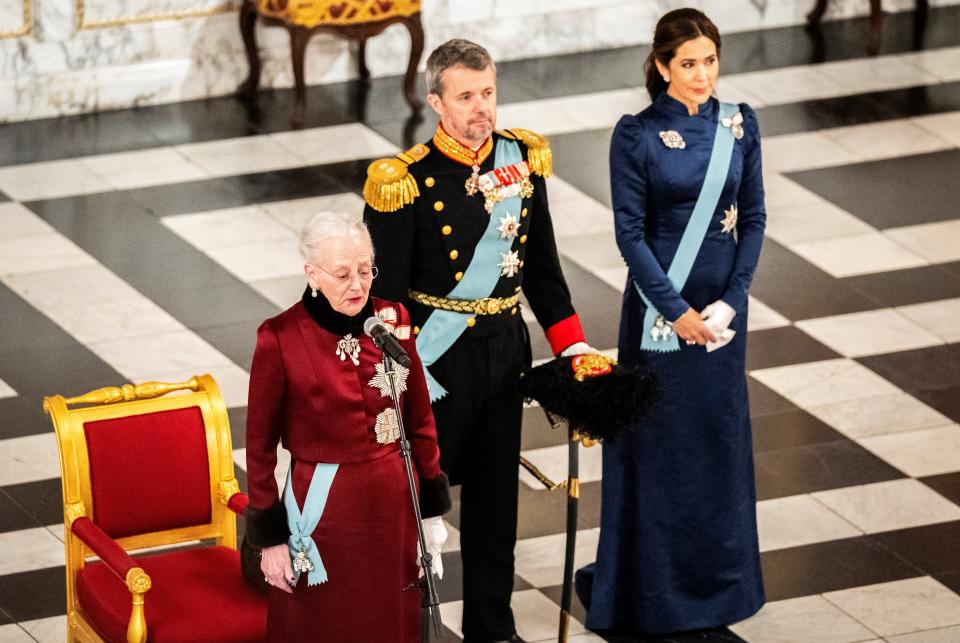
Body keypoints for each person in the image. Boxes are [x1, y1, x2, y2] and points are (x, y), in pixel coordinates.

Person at [363, 39, 595, 643]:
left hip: (502, 352)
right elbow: (383, 298)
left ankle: (494, 628)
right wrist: (397, 374)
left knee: (497, 507)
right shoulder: (405, 181)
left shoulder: (521, 160)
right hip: (435, 363)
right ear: (436, 101)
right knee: (420, 503)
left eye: (487, 92)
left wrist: (571, 347)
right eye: (465, 96)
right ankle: (410, 628)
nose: (480, 108)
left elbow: (542, 267)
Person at [577, 8, 766, 636]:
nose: (702, 74)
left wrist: (733, 300)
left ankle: (718, 594)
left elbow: (756, 218)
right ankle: (656, 594)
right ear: (661, 67)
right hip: (662, 320)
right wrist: (677, 312)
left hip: (721, 321)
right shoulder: (637, 135)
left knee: (717, 447)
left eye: (710, 61)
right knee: (662, 451)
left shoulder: (741, 125)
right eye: (688, 63)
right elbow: (630, 236)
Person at [243, 211, 451, 643]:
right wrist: (271, 540)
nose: (357, 285)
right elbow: (259, 447)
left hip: (393, 507)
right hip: (325, 512)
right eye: (342, 274)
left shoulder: (393, 321)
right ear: (312, 274)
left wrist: (429, 515)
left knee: (391, 622)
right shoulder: (280, 337)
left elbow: (419, 420)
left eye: (364, 270)